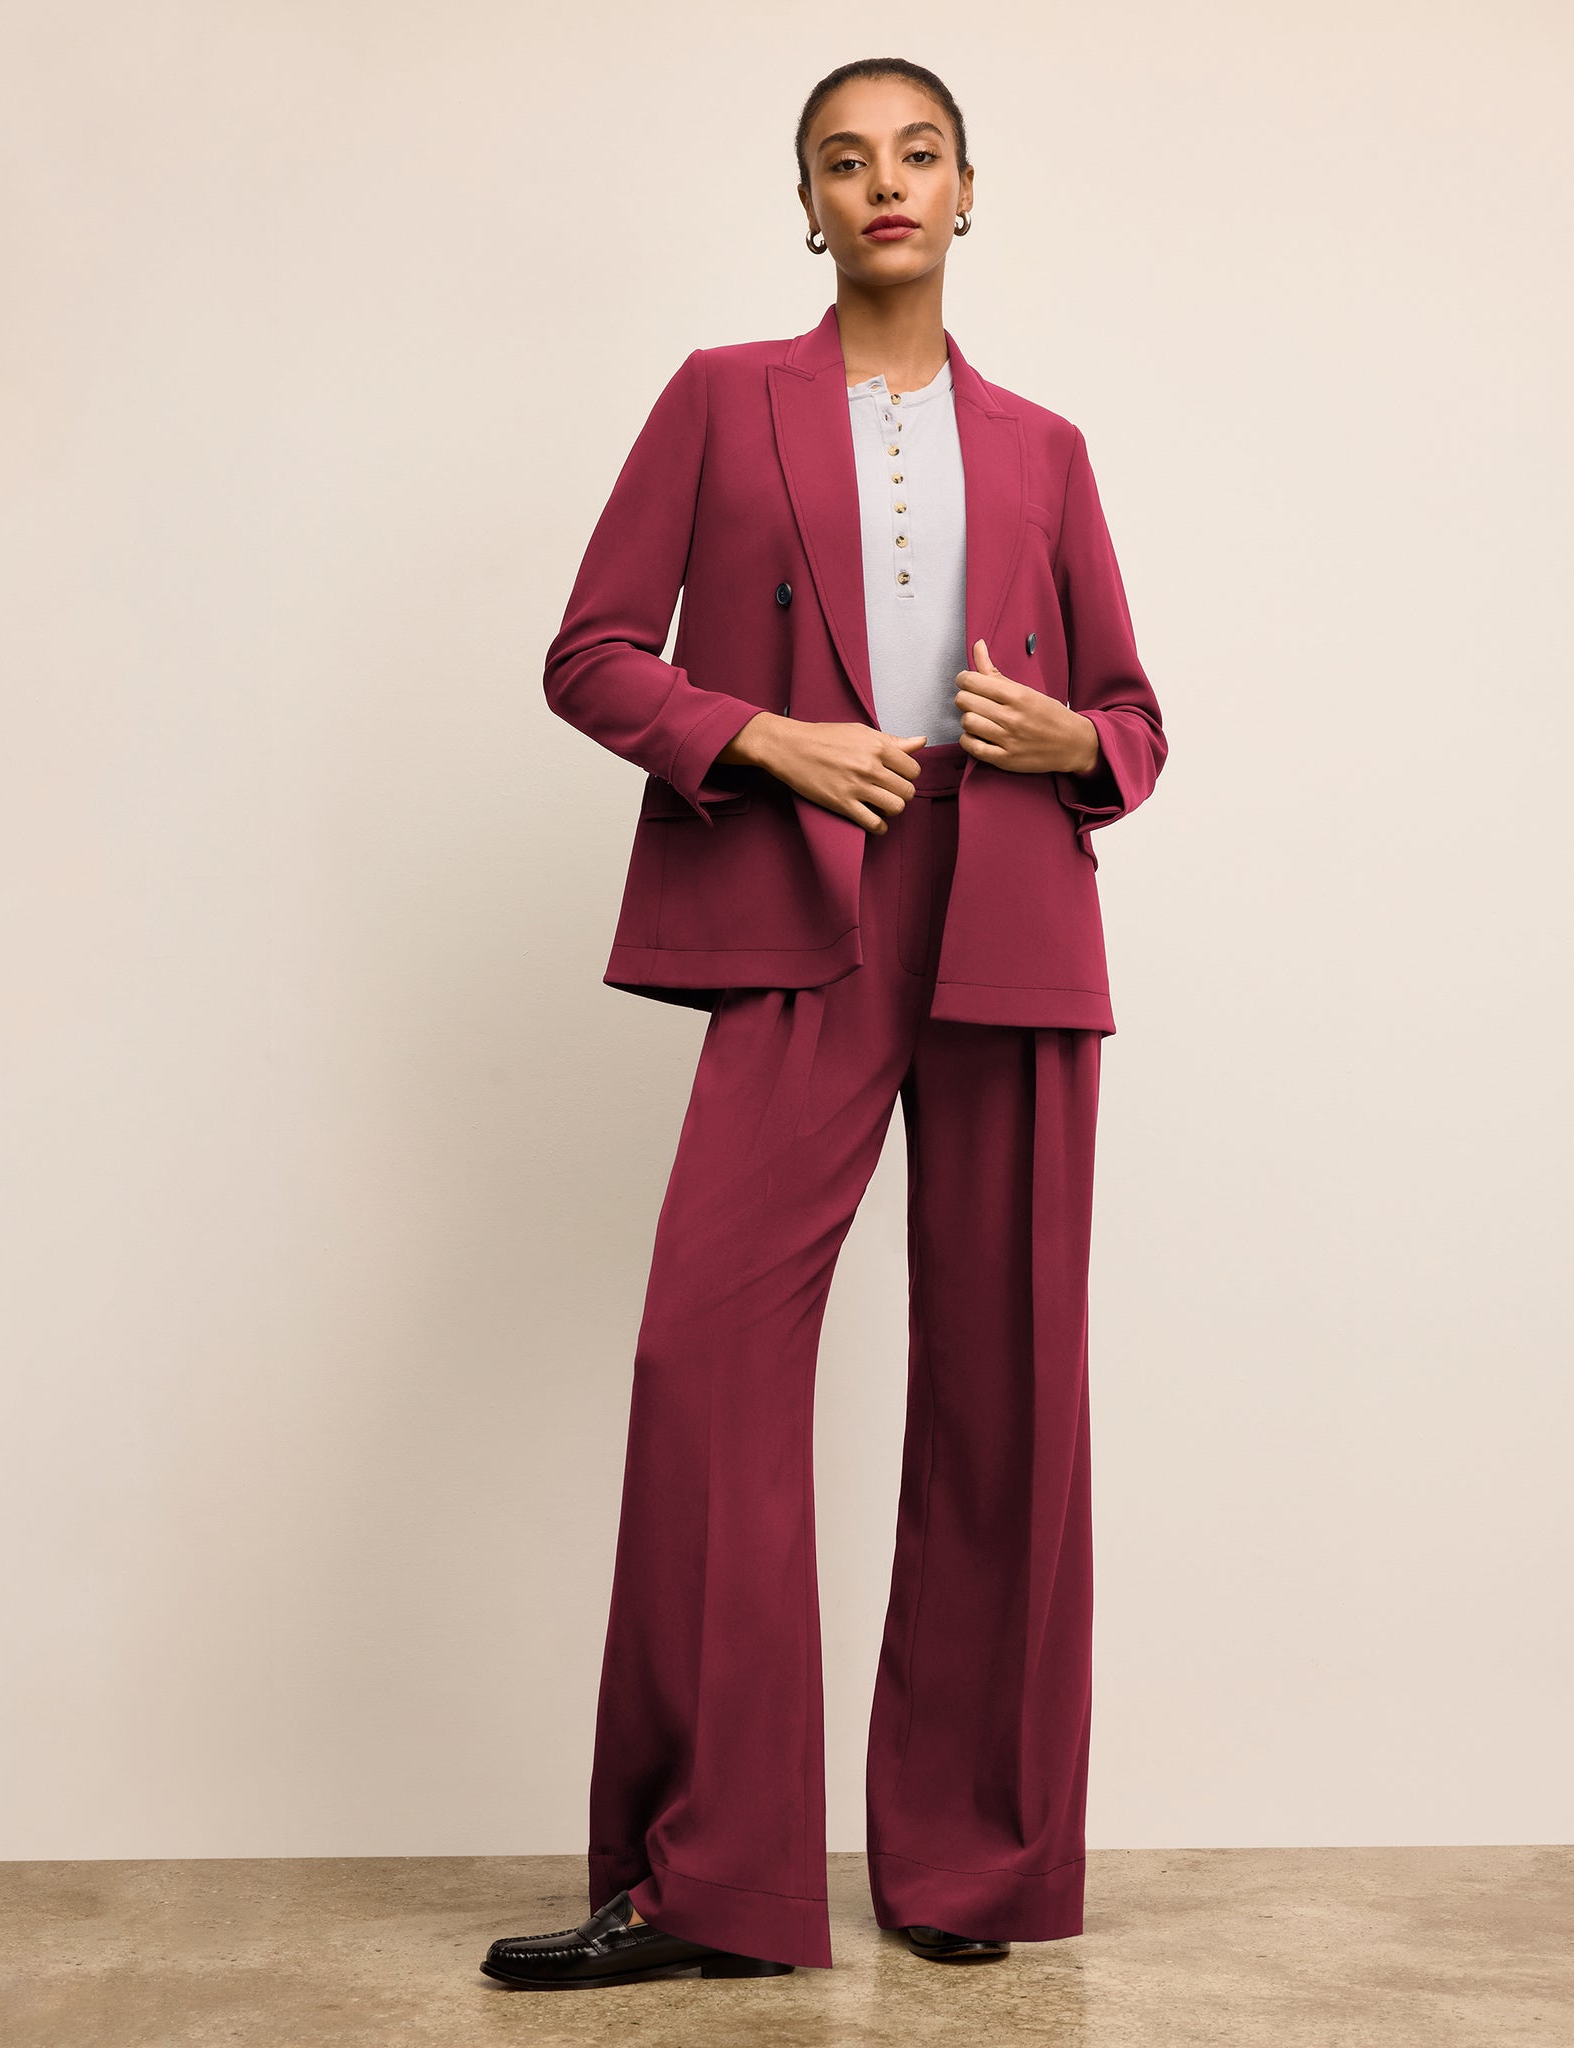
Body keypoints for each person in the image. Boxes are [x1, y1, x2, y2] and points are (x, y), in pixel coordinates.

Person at [481, 55, 1167, 1992]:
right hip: (809, 889)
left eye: (918, 154)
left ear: (968, 192)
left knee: (1007, 1384)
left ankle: (972, 1863)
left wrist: (1070, 742)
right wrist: (763, 739)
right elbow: (593, 651)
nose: (885, 184)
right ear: (808, 205)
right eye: (844, 161)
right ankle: (709, 1881)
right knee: (702, 1352)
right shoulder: (720, 399)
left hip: (1013, 901)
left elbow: (1134, 714)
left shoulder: (1043, 445)